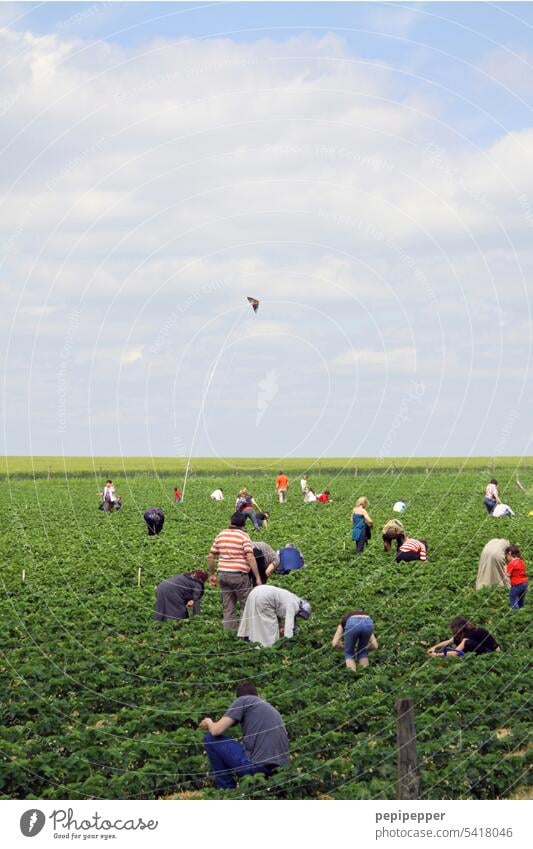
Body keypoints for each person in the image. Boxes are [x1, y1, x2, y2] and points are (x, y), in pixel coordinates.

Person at [200, 680, 290, 789]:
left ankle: (226, 791)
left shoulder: (243, 700)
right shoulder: (272, 709)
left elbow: (216, 730)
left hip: (257, 768)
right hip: (282, 772)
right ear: (258, 695)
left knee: (210, 738)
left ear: (238, 698)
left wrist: (208, 721)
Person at [208, 513, 262, 631]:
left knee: (228, 607)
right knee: (246, 604)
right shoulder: (243, 536)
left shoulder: (221, 534)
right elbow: (250, 556)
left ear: (230, 522)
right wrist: (257, 577)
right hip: (238, 575)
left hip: (222, 574)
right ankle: (244, 634)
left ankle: (229, 634)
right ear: (243, 524)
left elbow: (211, 555)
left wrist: (212, 574)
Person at [237, 585, 311, 647]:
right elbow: (289, 625)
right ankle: (267, 648)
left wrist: (281, 628)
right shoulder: (294, 605)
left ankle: (248, 639)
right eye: (301, 615)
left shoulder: (292, 598)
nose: (299, 616)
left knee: (253, 618)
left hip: (255, 591)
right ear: (301, 609)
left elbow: (280, 610)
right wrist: (287, 641)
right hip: (264, 597)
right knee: (269, 627)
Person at [427, 617, 500, 658]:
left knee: (466, 643)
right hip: (485, 650)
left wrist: (436, 655)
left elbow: (455, 653)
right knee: (459, 641)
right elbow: (449, 641)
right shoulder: (462, 634)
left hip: (493, 654)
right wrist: (434, 647)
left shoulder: (470, 633)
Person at [505, 544, 528, 609]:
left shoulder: (512, 563)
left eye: (506, 556)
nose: (506, 558)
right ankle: (522, 610)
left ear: (509, 553)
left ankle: (516, 613)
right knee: (521, 599)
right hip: (525, 583)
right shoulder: (521, 561)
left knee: (513, 598)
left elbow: (508, 575)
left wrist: (505, 569)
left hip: (517, 584)